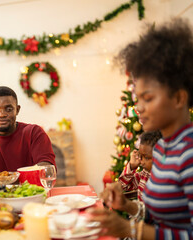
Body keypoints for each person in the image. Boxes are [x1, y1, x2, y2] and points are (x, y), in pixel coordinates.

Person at [87, 18, 193, 239]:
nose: (139, 108)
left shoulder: (189, 154)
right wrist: (126, 205)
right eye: (138, 98)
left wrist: (130, 229)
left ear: (179, 98)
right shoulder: (163, 147)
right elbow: (160, 217)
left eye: (148, 98)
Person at [118, 130, 162, 201]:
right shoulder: (144, 174)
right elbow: (123, 185)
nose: (142, 162)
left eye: (146, 157)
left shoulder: (163, 180)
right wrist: (132, 166)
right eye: (141, 156)